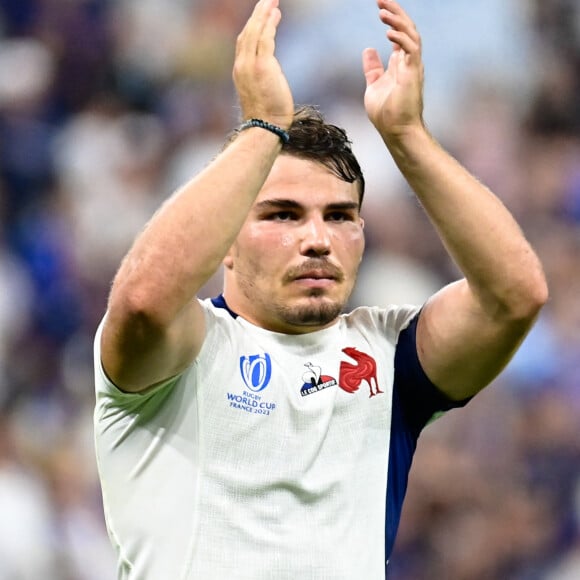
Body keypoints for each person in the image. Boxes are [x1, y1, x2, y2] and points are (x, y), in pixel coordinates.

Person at [93, 0, 548, 578]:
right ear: (224, 242)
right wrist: (261, 130)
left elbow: (515, 295)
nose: (317, 239)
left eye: (339, 216)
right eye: (282, 215)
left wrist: (406, 135)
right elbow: (140, 302)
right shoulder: (187, 347)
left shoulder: (390, 356)